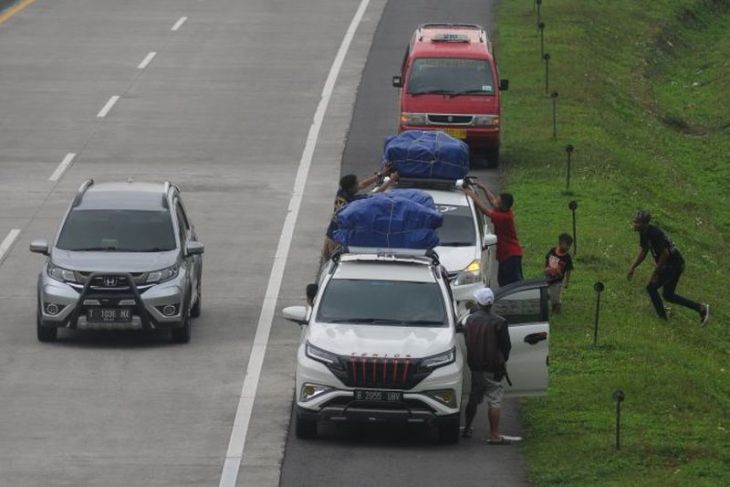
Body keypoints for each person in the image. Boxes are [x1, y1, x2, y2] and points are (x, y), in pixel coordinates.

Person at [627, 210, 709, 325]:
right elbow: (644, 251)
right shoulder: (644, 232)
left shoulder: (655, 234)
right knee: (668, 295)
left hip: (674, 264)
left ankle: (662, 319)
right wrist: (632, 267)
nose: (634, 224)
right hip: (670, 265)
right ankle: (700, 308)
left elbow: (665, 254)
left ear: (645, 223)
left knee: (651, 287)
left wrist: (655, 274)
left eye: (637, 222)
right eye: (634, 221)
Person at [462, 287, 513, 444]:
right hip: (494, 367)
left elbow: (467, 340)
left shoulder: (470, 320)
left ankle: (467, 428)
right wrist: (502, 360)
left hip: (476, 366)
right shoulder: (500, 322)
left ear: (478, 302)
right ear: (491, 304)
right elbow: (506, 346)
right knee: (495, 400)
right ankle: (494, 435)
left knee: (474, 398)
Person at [321, 167, 399, 261]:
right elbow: (375, 193)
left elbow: (362, 185)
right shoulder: (353, 202)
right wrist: (391, 180)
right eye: (356, 184)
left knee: (327, 262)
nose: (358, 185)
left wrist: (380, 174)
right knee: (334, 261)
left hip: (330, 234)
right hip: (337, 240)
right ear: (351, 188)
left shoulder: (341, 192)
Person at [463, 181, 523, 286]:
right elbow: (491, 201)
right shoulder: (503, 211)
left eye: (497, 201)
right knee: (504, 281)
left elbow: (485, 211)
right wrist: (484, 188)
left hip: (510, 255)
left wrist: (472, 196)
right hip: (507, 255)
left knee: (511, 283)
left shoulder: (504, 217)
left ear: (502, 206)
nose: (494, 201)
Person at [544, 233, 574, 314]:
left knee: (555, 297)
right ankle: (545, 308)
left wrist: (567, 281)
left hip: (558, 281)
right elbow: (547, 259)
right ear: (560, 242)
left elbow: (568, 270)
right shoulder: (553, 251)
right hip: (547, 277)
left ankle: (556, 310)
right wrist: (546, 268)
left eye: (569, 245)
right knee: (545, 293)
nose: (568, 247)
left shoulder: (567, 257)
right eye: (566, 244)